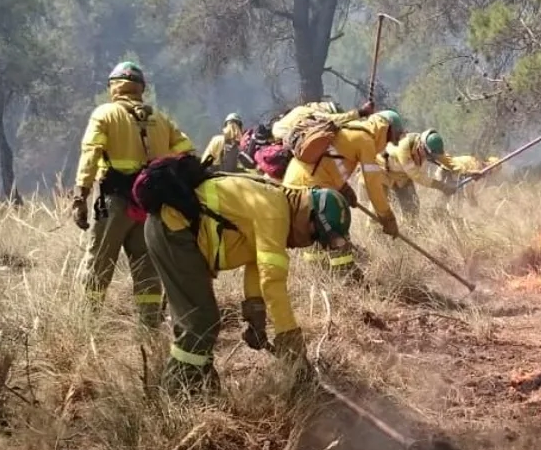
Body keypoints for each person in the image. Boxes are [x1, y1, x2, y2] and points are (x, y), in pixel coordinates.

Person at [131, 154, 354, 395]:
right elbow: (272, 280)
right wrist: (291, 345)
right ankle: (177, 395)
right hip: (172, 230)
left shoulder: (277, 203)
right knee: (200, 321)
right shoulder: (276, 212)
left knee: (200, 320)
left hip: (175, 232)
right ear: (309, 215)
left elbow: (255, 263)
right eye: (315, 234)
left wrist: (255, 317)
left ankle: (199, 388)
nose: (310, 241)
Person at [70, 61, 195, 326]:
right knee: (147, 268)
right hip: (149, 206)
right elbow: (186, 148)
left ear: (113, 87)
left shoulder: (105, 113)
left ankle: (85, 324)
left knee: (99, 263)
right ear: (141, 88)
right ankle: (149, 328)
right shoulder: (159, 118)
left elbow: (91, 152)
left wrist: (80, 195)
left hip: (114, 202)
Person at [280, 104, 407, 240]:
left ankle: (319, 260)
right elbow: (373, 184)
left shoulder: (352, 129)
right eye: (389, 138)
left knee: (318, 237)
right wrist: (387, 217)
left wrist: (343, 188)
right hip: (310, 188)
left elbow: (330, 163)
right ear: (385, 128)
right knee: (336, 236)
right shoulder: (365, 141)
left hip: (297, 184)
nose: (386, 143)